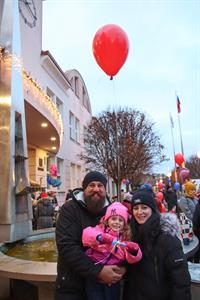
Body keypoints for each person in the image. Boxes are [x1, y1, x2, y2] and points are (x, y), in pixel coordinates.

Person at [55, 171, 125, 300]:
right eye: (91, 185)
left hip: (103, 289)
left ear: (105, 189)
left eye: (100, 185)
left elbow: (124, 240)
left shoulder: (112, 213)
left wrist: (123, 267)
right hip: (72, 286)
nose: (96, 189)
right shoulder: (69, 209)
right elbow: (66, 246)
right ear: (84, 188)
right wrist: (97, 271)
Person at [123, 190, 191, 300]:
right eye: (136, 208)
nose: (139, 212)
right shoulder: (131, 236)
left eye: (144, 207)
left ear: (152, 209)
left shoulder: (167, 238)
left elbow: (180, 282)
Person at [82, 202, 142, 300]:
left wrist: (133, 251)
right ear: (107, 220)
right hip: (94, 277)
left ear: (125, 223)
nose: (117, 222)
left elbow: (131, 259)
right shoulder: (100, 229)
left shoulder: (125, 238)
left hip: (113, 280)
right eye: (113, 218)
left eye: (120, 220)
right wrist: (100, 237)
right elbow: (87, 234)